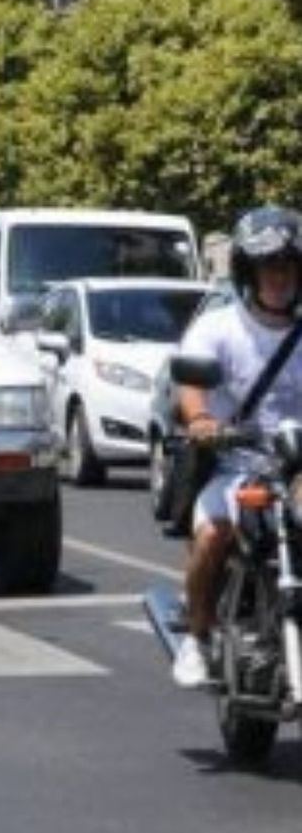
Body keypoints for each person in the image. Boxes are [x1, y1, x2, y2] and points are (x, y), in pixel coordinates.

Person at [171, 206, 302, 687]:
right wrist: (202, 418)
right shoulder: (219, 327)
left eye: (289, 265)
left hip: (298, 472)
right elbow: (190, 380)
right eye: (270, 266)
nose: (280, 276)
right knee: (211, 537)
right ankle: (197, 637)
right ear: (249, 271)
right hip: (238, 467)